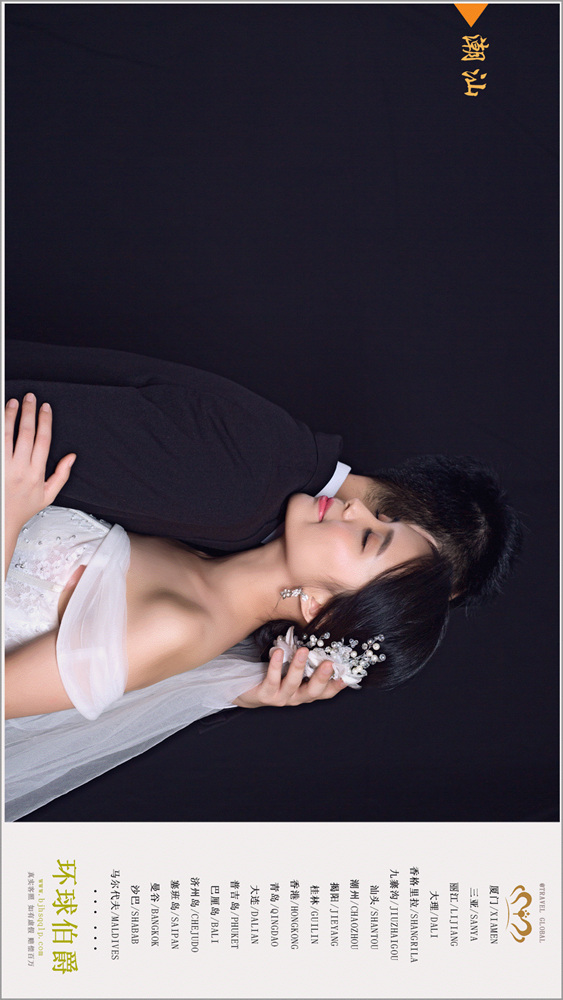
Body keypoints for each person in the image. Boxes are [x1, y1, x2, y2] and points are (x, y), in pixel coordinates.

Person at [5, 394, 452, 819]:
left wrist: (9, 513)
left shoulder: (179, 628)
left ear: (318, 606)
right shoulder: (206, 552)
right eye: (382, 517)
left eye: (368, 538)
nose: (356, 507)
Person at [6, 340, 523, 614]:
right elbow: (30, 434)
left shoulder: (277, 478)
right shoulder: (245, 488)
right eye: (415, 584)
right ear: (411, 528)